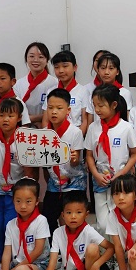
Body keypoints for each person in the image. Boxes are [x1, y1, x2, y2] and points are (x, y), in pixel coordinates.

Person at [35, 191, 114, 270]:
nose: (73, 216)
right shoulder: (58, 233)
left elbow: (111, 248)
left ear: (86, 214)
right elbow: (52, 262)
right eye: (68, 212)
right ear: (62, 215)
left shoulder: (88, 231)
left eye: (78, 212)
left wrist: (97, 264)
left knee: (93, 248)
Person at [0, 97, 34, 270]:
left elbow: (28, 169)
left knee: (10, 225)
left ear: (19, 118)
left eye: (10, 116)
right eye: (1, 115)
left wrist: (27, 193)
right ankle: (0, 258)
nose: (5, 119)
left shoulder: (24, 140)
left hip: (16, 192)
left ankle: (13, 259)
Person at [0, 178, 50, 270]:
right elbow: (6, 254)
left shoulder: (41, 221)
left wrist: (16, 269)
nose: (23, 206)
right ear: (13, 201)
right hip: (17, 266)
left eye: (28, 201)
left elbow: (38, 250)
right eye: (18, 201)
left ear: (37, 201)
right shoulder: (11, 224)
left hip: (37, 265)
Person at [43, 88, 86, 231]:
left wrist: (74, 158)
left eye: (59, 108)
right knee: (47, 217)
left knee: (73, 219)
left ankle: (74, 242)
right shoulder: (44, 133)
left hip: (74, 183)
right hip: (54, 183)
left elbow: (76, 162)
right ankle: (55, 242)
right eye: (50, 108)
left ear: (68, 110)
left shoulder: (75, 132)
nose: (54, 112)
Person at [0, 62, 30, 149]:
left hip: (13, 150)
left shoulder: (19, 104)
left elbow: (24, 132)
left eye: (2, 78)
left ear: (13, 81)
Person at [44, 50, 91, 133]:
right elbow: (45, 120)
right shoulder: (50, 91)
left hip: (75, 134)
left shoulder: (83, 91)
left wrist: (78, 137)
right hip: (54, 136)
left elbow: (85, 121)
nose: (61, 71)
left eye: (65, 66)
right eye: (56, 67)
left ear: (75, 67)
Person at [15, 42, 56, 126]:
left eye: (40, 57)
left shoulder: (54, 83)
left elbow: (56, 111)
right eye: (32, 56)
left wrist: (32, 118)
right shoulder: (19, 84)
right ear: (26, 59)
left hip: (47, 128)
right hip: (23, 128)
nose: (36, 60)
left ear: (47, 60)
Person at [87, 53, 132, 124]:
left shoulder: (124, 93)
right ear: (98, 70)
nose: (106, 72)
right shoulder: (94, 93)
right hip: (98, 129)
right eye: (103, 68)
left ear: (117, 72)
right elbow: (90, 120)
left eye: (111, 68)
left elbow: (127, 118)